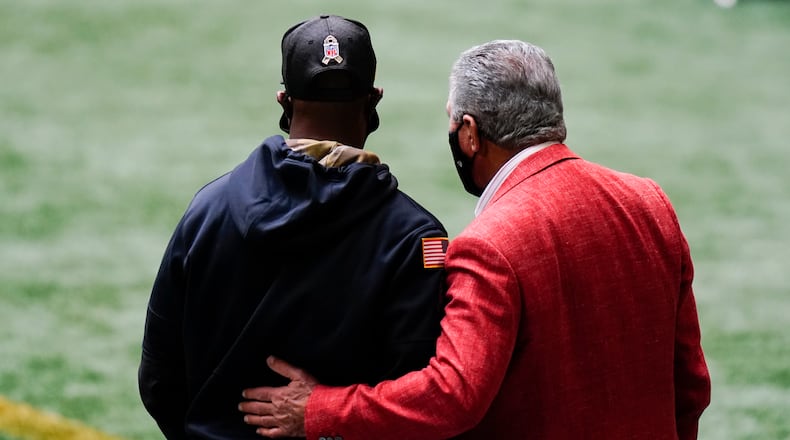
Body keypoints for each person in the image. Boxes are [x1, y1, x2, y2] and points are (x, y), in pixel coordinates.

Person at [239, 39, 712, 439]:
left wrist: (319, 409)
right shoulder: (649, 202)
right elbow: (690, 384)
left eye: (452, 120)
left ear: (469, 133)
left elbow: (451, 395)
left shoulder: (489, 245)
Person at [138, 15, 449, 439]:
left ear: (284, 102)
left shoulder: (207, 208)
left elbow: (159, 379)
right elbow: (417, 401)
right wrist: (328, 419)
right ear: (374, 100)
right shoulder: (416, 238)